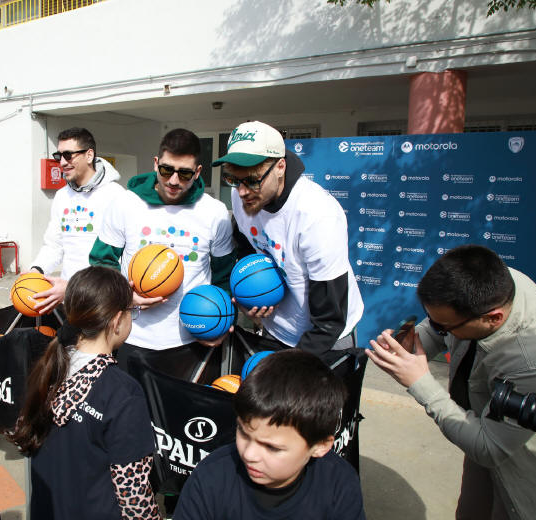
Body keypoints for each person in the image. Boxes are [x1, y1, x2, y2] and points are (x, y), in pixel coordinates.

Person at [366, 244, 536, 519]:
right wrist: (412, 345)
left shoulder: (535, 361)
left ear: (493, 317)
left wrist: (420, 382)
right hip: (478, 424)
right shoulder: (491, 285)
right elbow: (443, 328)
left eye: (444, 326)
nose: (438, 329)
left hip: (522, 471)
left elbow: (489, 448)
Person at [9, 266, 160, 519]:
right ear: (116, 321)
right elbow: (133, 490)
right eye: (131, 311)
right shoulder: (123, 392)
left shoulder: (50, 366)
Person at [89, 128, 236, 380]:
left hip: (192, 338)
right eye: (167, 170)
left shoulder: (215, 212)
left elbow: (225, 275)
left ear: (198, 172)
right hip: (131, 335)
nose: (174, 180)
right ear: (156, 164)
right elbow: (101, 261)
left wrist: (221, 322)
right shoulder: (126, 203)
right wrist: (124, 296)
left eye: (185, 173)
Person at [213, 121, 363, 361]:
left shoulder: (317, 215)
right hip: (275, 330)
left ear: (280, 166)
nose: (242, 191)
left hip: (325, 339)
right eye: (234, 179)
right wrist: (250, 295)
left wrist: (290, 368)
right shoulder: (242, 195)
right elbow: (246, 247)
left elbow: (330, 320)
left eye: (252, 180)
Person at [174, 349, 364, 519]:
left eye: (272, 447)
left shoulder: (339, 483)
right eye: (243, 432)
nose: (249, 454)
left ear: (320, 445)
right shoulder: (211, 477)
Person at [29, 127, 124, 314]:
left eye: (68, 155)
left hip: (103, 302)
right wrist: (36, 270)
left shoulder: (117, 196)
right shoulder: (62, 196)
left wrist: (76, 287)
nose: (62, 162)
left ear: (89, 155)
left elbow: (121, 258)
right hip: (68, 301)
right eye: (59, 156)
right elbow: (54, 244)